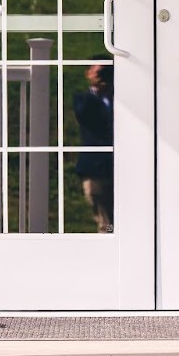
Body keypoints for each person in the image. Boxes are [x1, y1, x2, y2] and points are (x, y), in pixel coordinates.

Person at [72, 59, 114, 232]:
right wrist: (96, 89)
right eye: (98, 72)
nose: (102, 77)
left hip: (123, 167)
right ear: (88, 74)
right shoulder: (84, 99)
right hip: (95, 168)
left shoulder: (122, 99)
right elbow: (83, 114)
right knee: (106, 223)